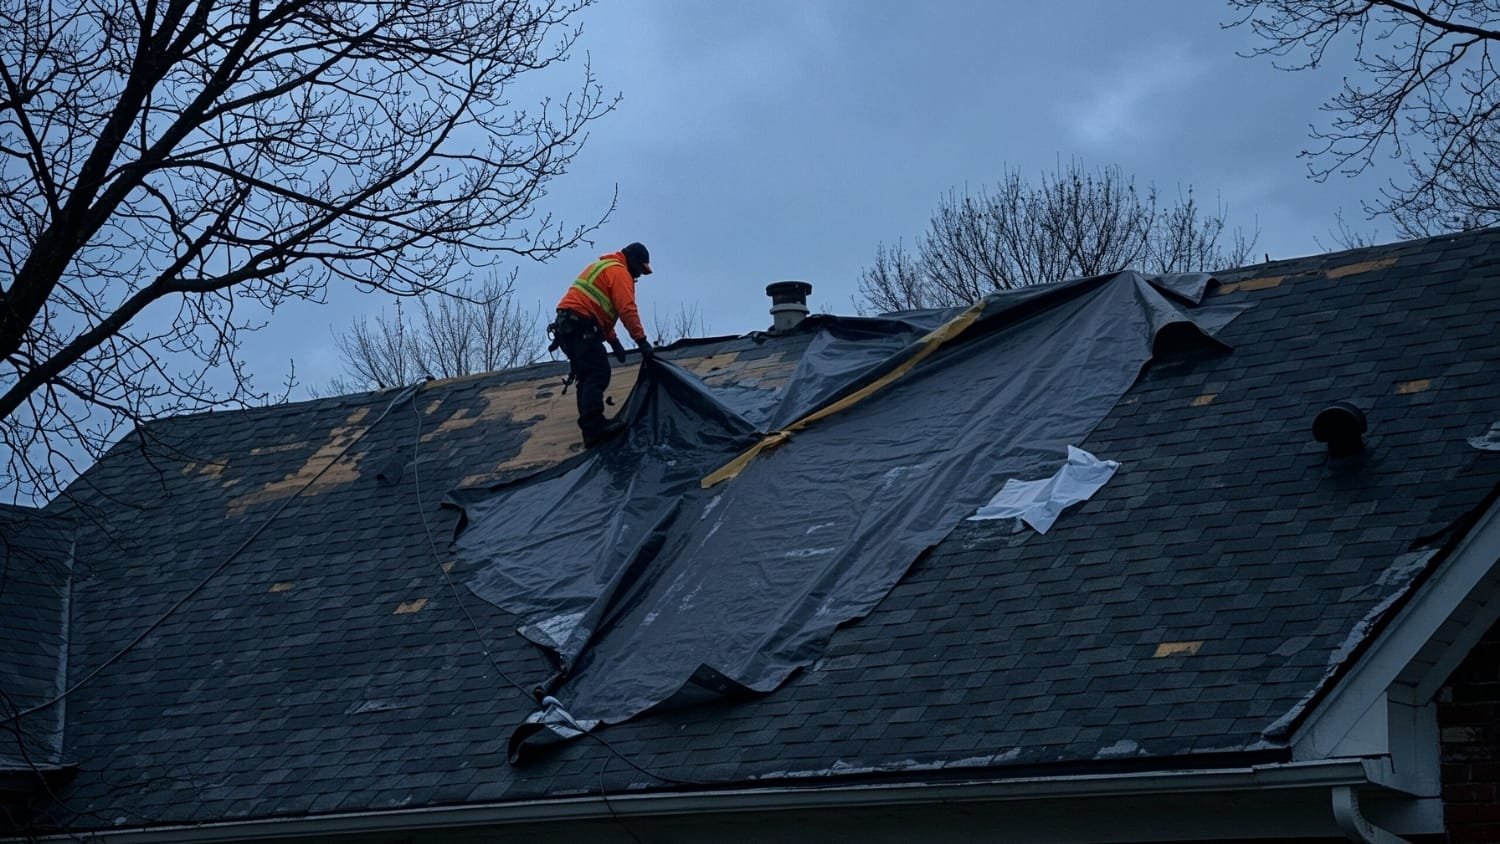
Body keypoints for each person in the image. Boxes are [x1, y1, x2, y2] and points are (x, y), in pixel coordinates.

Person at [550, 242, 656, 446]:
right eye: (640, 270)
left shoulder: (606, 267)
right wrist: (641, 341)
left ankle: (590, 431)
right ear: (632, 260)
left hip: (569, 327)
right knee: (598, 373)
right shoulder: (619, 272)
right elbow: (626, 309)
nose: (638, 276)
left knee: (587, 375)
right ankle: (594, 425)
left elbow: (599, 309)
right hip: (579, 325)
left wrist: (613, 340)